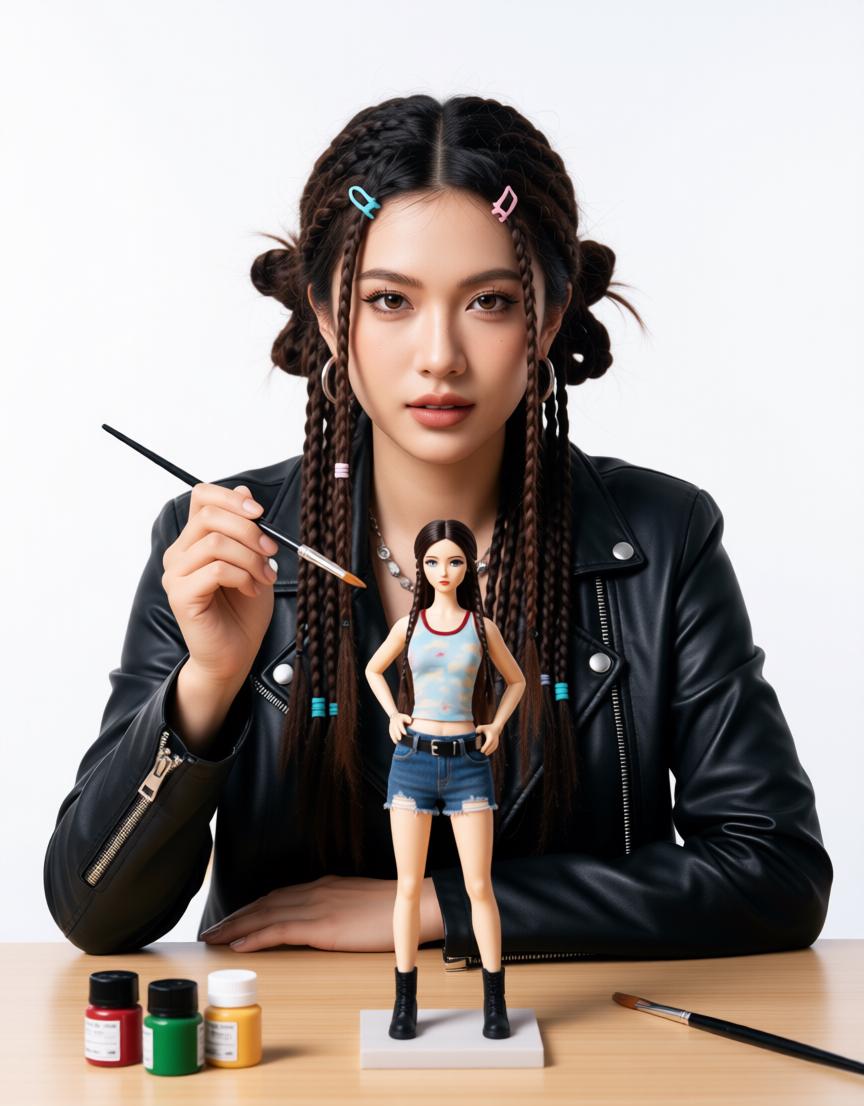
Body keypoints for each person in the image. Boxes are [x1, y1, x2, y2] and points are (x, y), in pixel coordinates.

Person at [44, 94, 832, 967]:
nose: (439, 356)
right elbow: (95, 913)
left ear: (549, 317)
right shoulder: (225, 541)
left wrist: (436, 906)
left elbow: (775, 874)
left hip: (576, 1041)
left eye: (489, 301)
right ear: (327, 315)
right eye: (390, 300)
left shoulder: (662, 539)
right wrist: (208, 684)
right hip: (289, 1041)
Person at [365, 521, 526, 1038]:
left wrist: (496, 725)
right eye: (433, 562)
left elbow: (517, 680)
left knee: (479, 886)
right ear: (420, 566)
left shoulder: (481, 628)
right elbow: (373, 670)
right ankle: (405, 1001)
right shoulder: (408, 627)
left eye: (454, 562)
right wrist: (393, 714)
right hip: (412, 761)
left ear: (469, 567)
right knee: (408, 887)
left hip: (467, 764)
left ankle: (495, 1002)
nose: (443, 572)